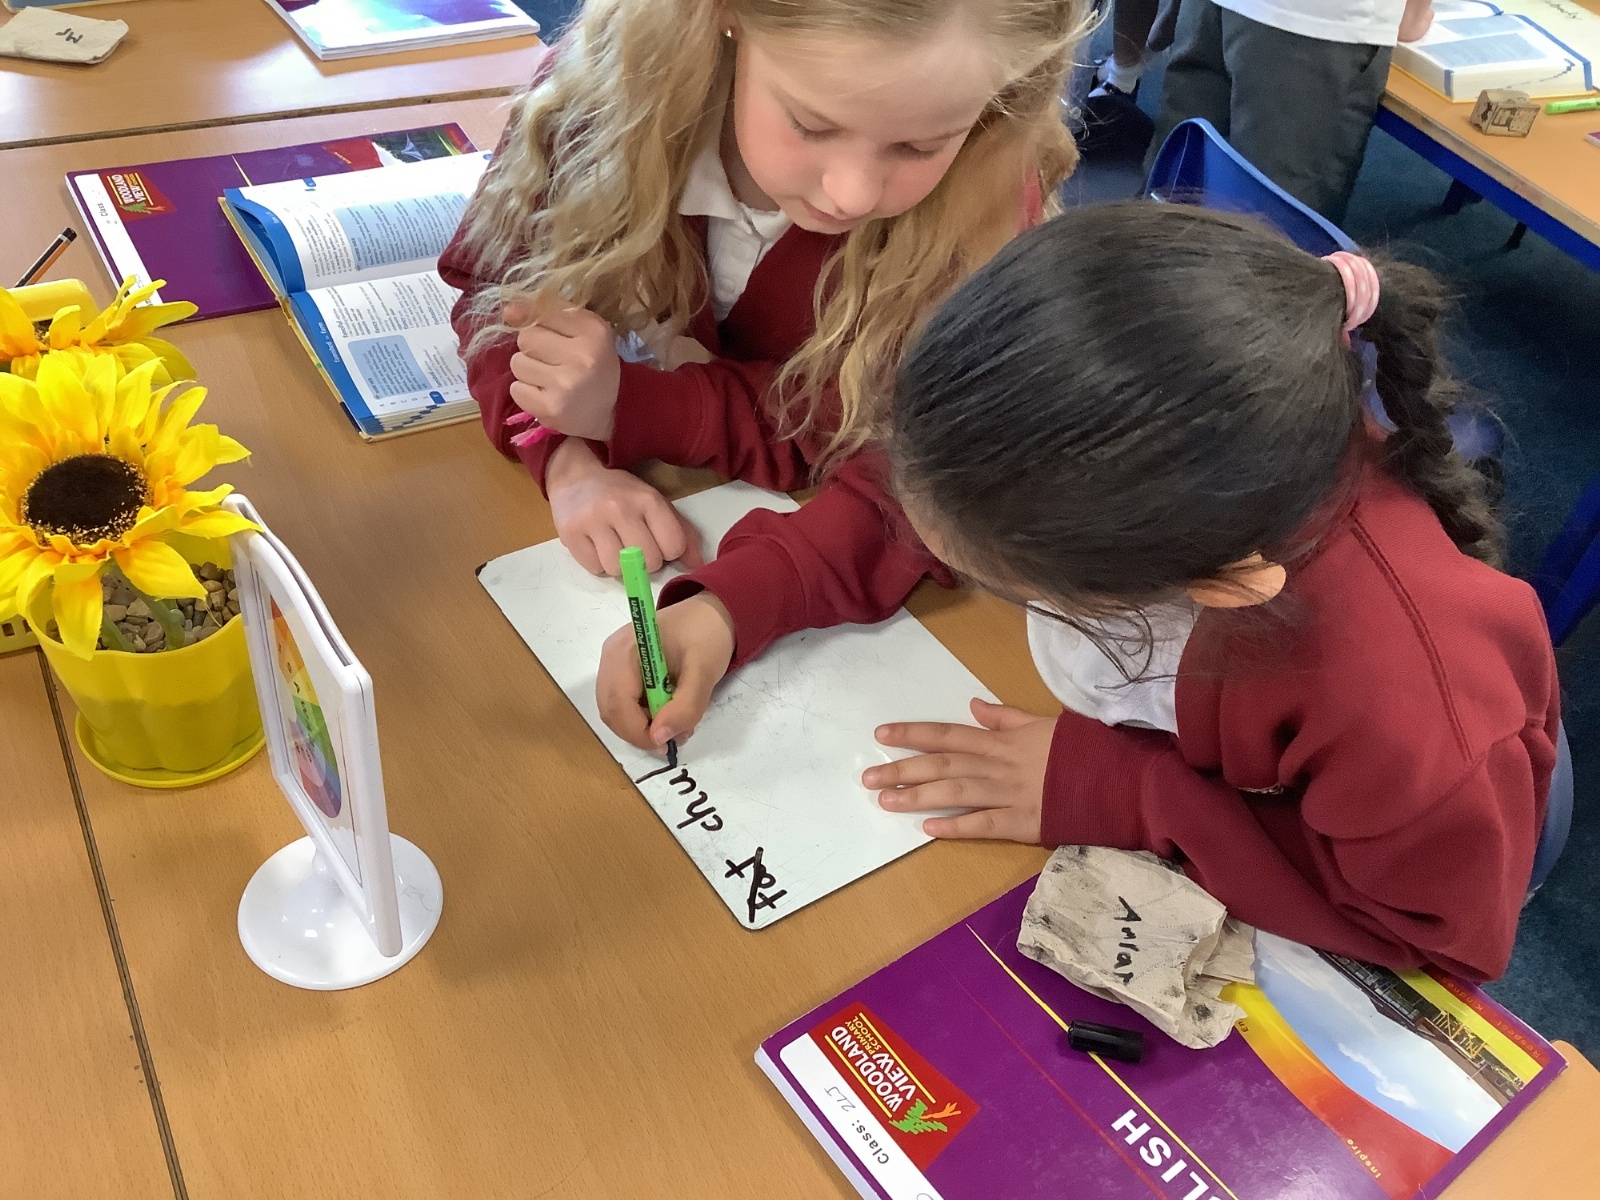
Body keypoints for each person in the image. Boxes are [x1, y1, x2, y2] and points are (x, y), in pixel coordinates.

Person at [865, 202, 1557, 982]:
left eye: (1027, 590)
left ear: (1224, 586)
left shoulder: (1396, 701)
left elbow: (1439, 943)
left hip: (1409, 854)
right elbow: (950, 488)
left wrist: (1133, 794)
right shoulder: (1217, 450)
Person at [441, 0, 1088, 718]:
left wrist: (732, 602)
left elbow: (932, 469)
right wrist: (564, 458)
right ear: (725, 16)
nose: (852, 191)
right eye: (812, 125)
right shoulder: (602, 99)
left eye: (918, 147)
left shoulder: (984, 198)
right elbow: (500, 294)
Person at [1145, 0, 1435, 222]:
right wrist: (1413, 13)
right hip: (1314, 24)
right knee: (1274, 226)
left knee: (1176, 192)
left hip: (1219, 11)